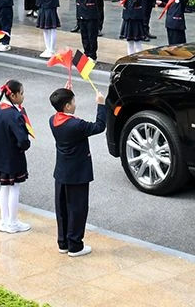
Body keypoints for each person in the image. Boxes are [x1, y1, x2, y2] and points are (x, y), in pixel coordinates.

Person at [50, 80, 108, 257]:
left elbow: (67, 115)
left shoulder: (53, 120)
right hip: (77, 173)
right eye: (73, 102)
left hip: (61, 172)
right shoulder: (77, 125)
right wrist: (101, 105)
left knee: (62, 209)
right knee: (77, 208)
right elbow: (99, 126)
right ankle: (75, 245)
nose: (75, 104)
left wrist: (65, 93)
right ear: (67, 106)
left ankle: (63, 243)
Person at [0, 79, 32, 234]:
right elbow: (22, 140)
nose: (23, 96)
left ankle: (4, 220)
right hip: (13, 156)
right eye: (21, 93)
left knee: (4, 187)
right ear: (13, 95)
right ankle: (13, 223)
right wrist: (25, 145)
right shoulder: (14, 114)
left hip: (0, 154)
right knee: (14, 188)